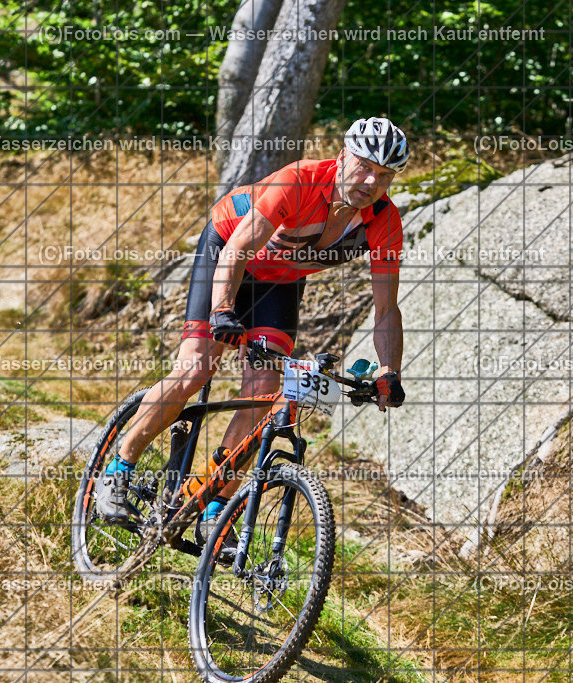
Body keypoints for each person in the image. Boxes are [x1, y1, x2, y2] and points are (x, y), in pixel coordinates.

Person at [96, 117, 410, 559]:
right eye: (364, 167)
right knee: (195, 369)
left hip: (279, 281)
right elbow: (238, 249)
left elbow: (386, 308)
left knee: (263, 392)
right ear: (343, 157)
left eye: (384, 175)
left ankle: (213, 505)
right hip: (227, 250)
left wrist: (389, 371)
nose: (371, 181)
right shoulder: (298, 181)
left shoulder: (384, 219)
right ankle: (118, 468)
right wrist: (222, 310)